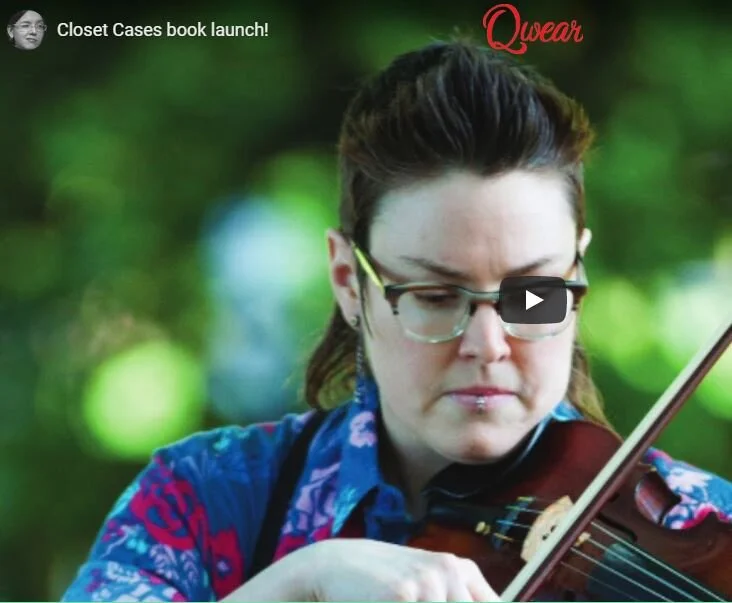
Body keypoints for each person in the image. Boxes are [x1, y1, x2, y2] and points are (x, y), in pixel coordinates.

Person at [61, 38, 732, 602]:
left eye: (533, 295)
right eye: (435, 296)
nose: (488, 344)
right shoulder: (204, 500)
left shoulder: (701, 522)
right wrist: (303, 581)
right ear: (349, 282)